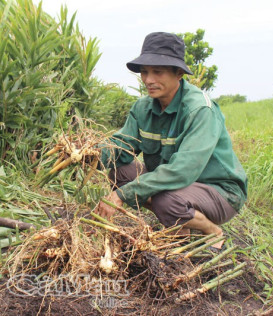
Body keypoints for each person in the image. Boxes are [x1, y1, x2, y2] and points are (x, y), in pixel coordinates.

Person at [95, 32, 247, 250]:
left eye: (158, 72)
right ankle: (179, 224)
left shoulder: (199, 110)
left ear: (178, 73)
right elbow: (123, 147)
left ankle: (211, 229)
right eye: (145, 72)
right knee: (121, 172)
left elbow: (181, 172)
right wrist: (91, 154)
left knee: (165, 200)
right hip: (178, 186)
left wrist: (123, 194)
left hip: (219, 191)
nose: (148, 80)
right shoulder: (143, 108)